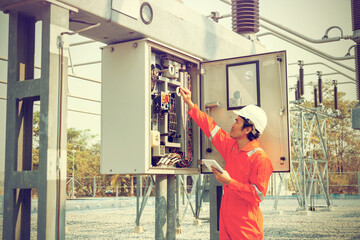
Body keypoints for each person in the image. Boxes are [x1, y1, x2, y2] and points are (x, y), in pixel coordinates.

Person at [179, 87, 273, 240]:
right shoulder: (232, 148)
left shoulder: (260, 159)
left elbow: (258, 194)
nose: (233, 124)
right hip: (227, 225)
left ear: (247, 129)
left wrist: (229, 182)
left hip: (246, 229)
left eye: (237, 121)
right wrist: (190, 104)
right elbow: (211, 128)